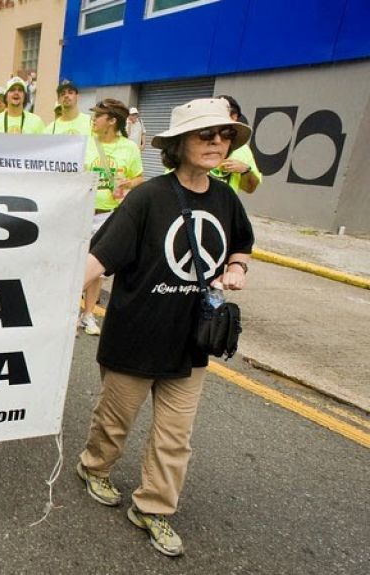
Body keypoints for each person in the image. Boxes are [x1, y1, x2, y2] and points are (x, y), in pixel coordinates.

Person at [76, 98, 253, 558]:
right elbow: (98, 259)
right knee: (114, 425)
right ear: (179, 144)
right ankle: (94, 467)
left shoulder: (226, 199)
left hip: (191, 342)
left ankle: (153, 507)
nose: (218, 142)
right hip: (136, 335)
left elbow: (242, 247)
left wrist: (236, 269)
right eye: (205, 135)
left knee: (175, 437)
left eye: (224, 135)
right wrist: (46, 299)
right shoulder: (147, 198)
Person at [80, 98, 144, 336]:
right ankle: (66, 310)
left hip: (107, 214)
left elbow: (139, 177)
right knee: (76, 263)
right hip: (80, 213)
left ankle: (87, 314)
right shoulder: (85, 143)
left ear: (112, 121)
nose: (93, 120)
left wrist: (129, 183)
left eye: (98, 116)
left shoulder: (128, 148)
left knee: (97, 266)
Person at [210, 95, 262, 194]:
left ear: (234, 118)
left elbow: (250, 189)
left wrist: (245, 170)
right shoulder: (194, 142)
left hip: (225, 208)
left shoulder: (243, 149)